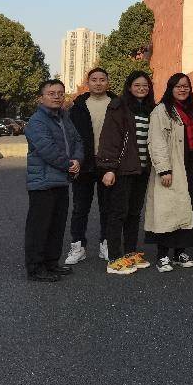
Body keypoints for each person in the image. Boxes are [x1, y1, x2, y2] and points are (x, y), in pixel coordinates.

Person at [96, 70, 156, 275]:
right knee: (117, 213)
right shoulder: (118, 106)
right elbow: (109, 138)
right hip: (122, 169)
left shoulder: (151, 109)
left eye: (145, 86)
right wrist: (109, 168)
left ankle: (130, 253)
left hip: (142, 169)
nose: (141, 89)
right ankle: (114, 258)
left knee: (134, 213)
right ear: (129, 87)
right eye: (137, 85)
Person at [24, 79, 84, 282]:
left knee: (57, 226)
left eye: (60, 93)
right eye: (51, 93)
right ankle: (35, 268)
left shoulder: (64, 117)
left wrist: (77, 160)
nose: (57, 97)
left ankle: (51, 263)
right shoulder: (37, 121)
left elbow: (77, 140)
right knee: (39, 227)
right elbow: (47, 149)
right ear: (41, 98)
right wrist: (69, 164)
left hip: (61, 180)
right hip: (42, 182)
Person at [145, 73, 193, 272]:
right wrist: (164, 169)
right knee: (167, 211)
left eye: (186, 86)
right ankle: (162, 255)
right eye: (178, 86)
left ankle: (179, 252)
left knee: (187, 209)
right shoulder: (161, 110)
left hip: (192, 165)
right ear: (170, 88)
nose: (182, 89)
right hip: (173, 166)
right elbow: (156, 141)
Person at [66, 67, 115, 264]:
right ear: (88, 83)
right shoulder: (78, 106)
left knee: (108, 208)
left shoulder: (117, 105)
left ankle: (106, 244)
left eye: (102, 79)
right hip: (84, 163)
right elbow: (70, 136)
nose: (98, 83)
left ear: (108, 82)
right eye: (94, 79)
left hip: (108, 163)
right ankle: (78, 247)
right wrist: (73, 159)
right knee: (80, 208)